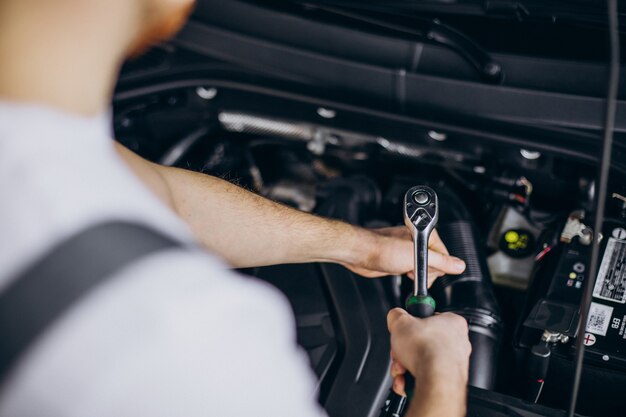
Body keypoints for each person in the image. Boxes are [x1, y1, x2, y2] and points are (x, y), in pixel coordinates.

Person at [0, 0, 472, 416]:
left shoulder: (45, 152)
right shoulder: (168, 332)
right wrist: (443, 370)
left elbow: (170, 198)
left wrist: (360, 247)